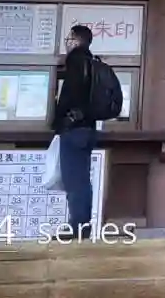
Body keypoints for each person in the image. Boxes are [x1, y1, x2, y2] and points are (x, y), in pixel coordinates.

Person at [55, 24, 99, 237]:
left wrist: (58, 120)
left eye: (68, 38)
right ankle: (83, 224)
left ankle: (77, 227)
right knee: (82, 179)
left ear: (75, 39)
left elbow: (69, 96)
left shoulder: (75, 60)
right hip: (88, 128)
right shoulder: (93, 62)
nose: (67, 42)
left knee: (73, 180)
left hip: (73, 128)